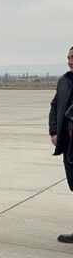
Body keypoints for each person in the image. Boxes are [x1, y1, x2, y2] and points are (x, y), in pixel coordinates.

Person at [48, 46, 73, 243]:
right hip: (68, 143)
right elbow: (55, 106)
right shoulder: (64, 81)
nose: (70, 61)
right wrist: (54, 131)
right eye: (68, 58)